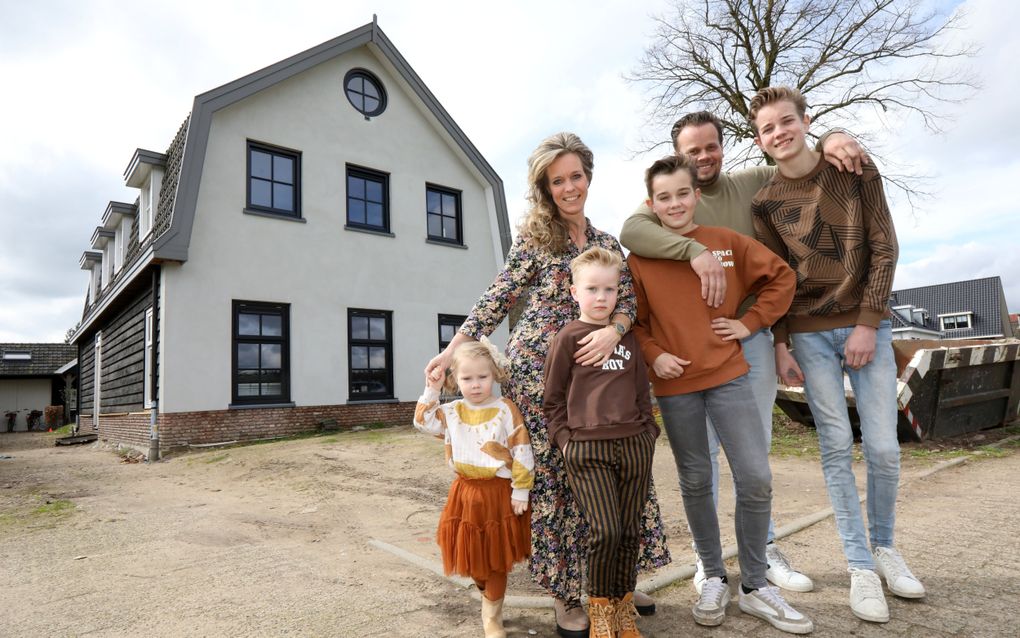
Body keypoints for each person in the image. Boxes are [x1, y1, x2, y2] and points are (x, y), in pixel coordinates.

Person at [425, 132, 670, 638]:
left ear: (589, 177)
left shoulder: (607, 244)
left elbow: (628, 303)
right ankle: (566, 594)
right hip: (542, 376)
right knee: (557, 480)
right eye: (557, 181)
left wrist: (614, 332)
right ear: (545, 187)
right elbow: (498, 296)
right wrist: (454, 348)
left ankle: (615, 585)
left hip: (604, 375)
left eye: (575, 176)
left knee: (618, 474)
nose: (569, 187)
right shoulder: (537, 238)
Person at [620, 111, 869, 594]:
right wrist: (691, 253)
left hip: (745, 343)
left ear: (723, 148)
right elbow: (632, 234)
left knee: (754, 458)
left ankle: (764, 551)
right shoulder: (658, 208)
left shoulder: (750, 182)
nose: (704, 156)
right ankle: (707, 561)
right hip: (684, 367)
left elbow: (798, 159)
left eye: (711, 146)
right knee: (701, 463)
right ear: (680, 158)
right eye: (693, 150)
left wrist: (834, 136)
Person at [748, 86, 925, 624]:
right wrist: (781, 344)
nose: (778, 133)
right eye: (766, 129)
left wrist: (868, 323)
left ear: (806, 121)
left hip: (864, 324)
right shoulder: (765, 203)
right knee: (832, 447)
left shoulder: (852, 169)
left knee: (883, 448)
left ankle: (886, 549)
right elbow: (777, 280)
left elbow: (884, 246)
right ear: (759, 141)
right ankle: (859, 568)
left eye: (786, 122)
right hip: (806, 332)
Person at [629, 153, 813, 634]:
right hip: (676, 387)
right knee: (695, 481)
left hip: (729, 376)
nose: (675, 204)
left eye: (683, 194)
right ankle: (711, 574)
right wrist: (653, 355)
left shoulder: (726, 243)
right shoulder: (641, 257)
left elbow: (782, 279)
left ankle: (755, 586)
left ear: (696, 196)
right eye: (664, 197)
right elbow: (637, 322)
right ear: (652, 204)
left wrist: (750, 322)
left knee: (755, 478)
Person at [543, 247, 659, 638]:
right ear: (574, 291)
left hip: (633, 446)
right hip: (586, 450)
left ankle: (623, 606)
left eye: (609, 290)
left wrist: (649, 435)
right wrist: (566, 442)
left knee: (629, 532)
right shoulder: (568, 338)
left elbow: (643, 393)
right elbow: (552, 400)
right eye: (592, 289)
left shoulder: (628, 342)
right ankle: (600, 609)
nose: (601, 298)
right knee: (605, 531)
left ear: (617, 292)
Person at [413, 339, 534, 638]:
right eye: (467, 378)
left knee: (495, 561)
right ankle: (484, 594)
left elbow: (521, 448)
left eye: (483, 377)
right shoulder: (452, 411)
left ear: (494, 375)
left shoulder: (505, 409)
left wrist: (521, 489)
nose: (476, 384)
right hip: (464, 494)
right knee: (473, 558)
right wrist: (433, 389)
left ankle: (492, 617)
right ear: (456, 380)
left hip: (498, 494)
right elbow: (423, 422)